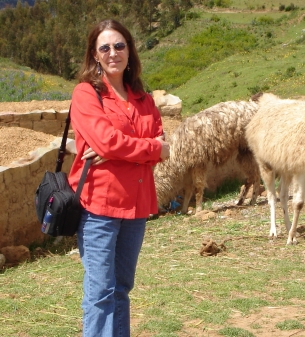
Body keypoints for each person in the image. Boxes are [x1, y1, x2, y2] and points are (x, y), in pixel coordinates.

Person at [68, 19, 170, 337]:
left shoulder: (144, 99)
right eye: (105, 48)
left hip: (136, 207)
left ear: (129, 50)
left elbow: (162, 147)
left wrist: (117, 150)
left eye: (119, 45)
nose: (113, 52)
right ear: (95, 56)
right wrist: (146, 148)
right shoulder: (86, 94)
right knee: (100, 293)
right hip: (99, 206)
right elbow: (107, 141)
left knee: (122, 288)